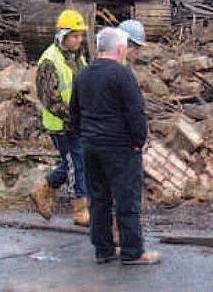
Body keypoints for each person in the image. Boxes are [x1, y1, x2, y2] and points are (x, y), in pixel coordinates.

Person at [70, 27, 161, 265]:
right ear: (121, 49)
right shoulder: (122, 75)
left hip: (91, 146)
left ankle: (103, 249)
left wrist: (85, 137)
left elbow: (74, 113)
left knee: (98, 199)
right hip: (120, 147)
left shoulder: (82, 75)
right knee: (126, 198)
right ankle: (132, 251)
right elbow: (135, 112)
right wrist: (139, 141)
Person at [29, 9, 90, 226]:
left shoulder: (77, 58)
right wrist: (72, 118)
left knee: (75, 162)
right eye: (75, 35)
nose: (79, 39)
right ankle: (80, 209)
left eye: (80, 35)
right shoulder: (49, 60)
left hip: (79, 121)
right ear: (63, 35)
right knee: (77, 163)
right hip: (62, 125)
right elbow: (50, 98)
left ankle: (43, 189)